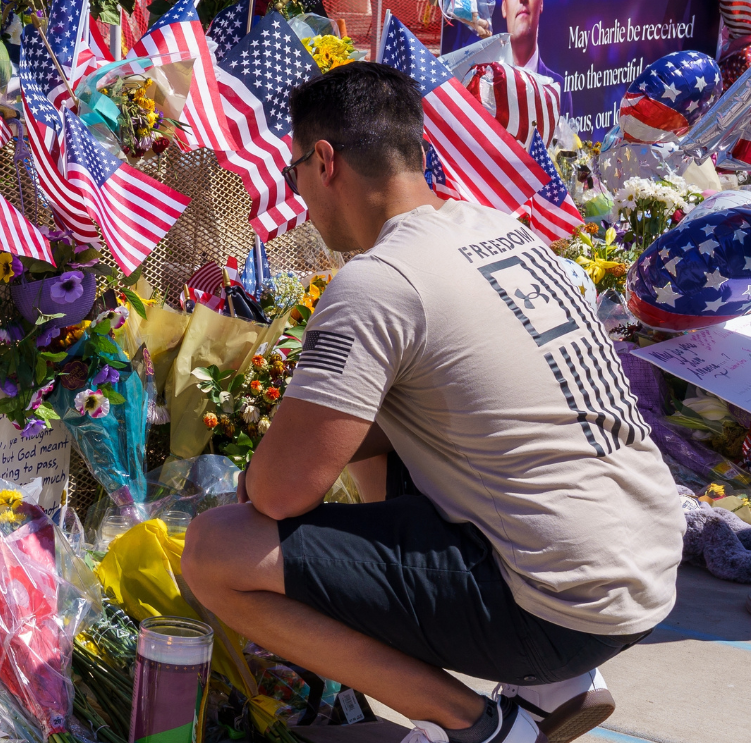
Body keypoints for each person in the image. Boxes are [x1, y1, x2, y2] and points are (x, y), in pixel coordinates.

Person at [180, 63, 682, 743]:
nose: (297, 196)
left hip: (560, 604)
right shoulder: (501, 228)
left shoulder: (380, 281)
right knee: (387, 423)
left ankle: (475, 725)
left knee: (218, 550)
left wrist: (253, 478)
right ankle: (553, 686)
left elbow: (277, 495)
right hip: (643, 565)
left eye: (295, 170)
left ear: (324, 160)